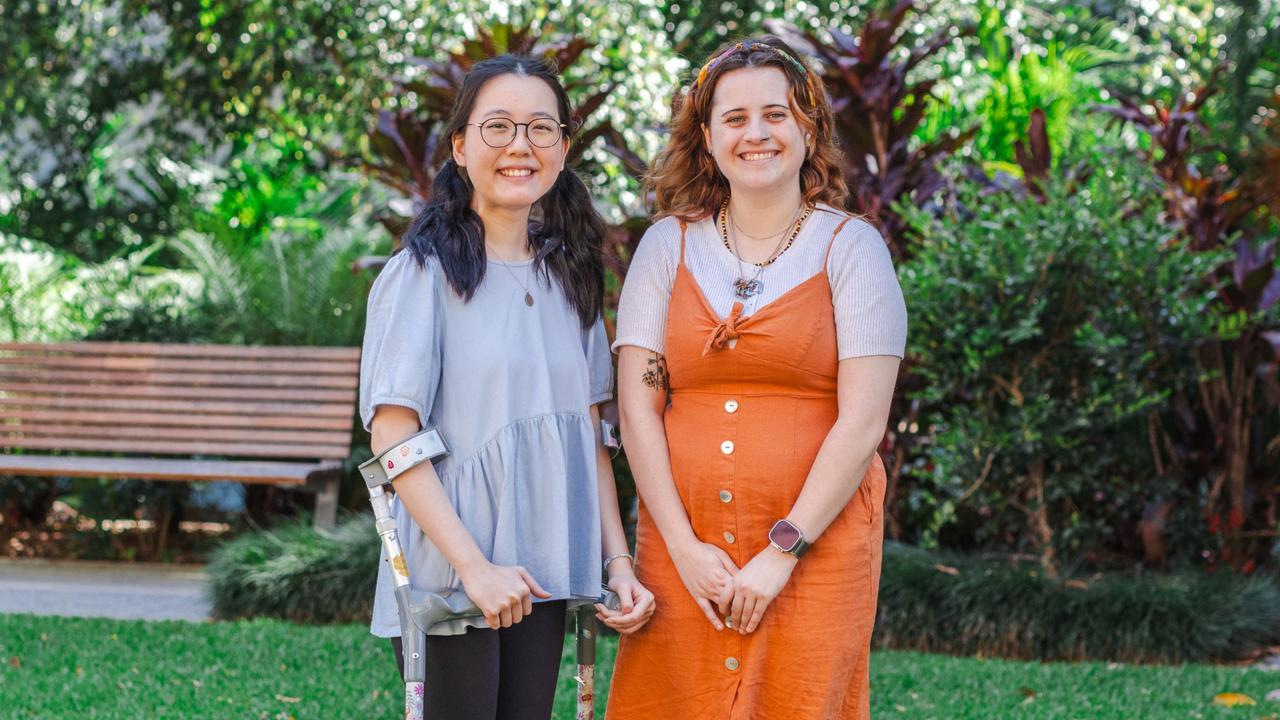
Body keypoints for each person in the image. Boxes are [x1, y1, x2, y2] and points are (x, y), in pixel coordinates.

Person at [605, 37, 907, 719]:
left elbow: (863, 422)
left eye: (776, 114)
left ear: (809, 128)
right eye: (734, 118)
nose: (756, 134)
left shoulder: (851, 249)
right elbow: (638, 408)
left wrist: (783, 551)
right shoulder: (666, 246)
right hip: (685, 548)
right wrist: (683, 549)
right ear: (707, 138)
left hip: (817, 546)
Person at [358, 54, 654, 720]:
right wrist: (475, 569)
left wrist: (617, 563)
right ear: (460, 146)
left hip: (546, 563)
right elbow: (392, 436)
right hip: (454, 572)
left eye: (540, 128)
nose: (520, 145)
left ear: (563, 147)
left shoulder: (571, 280)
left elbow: (591, 439)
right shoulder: (421, 274)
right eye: (498, 127)